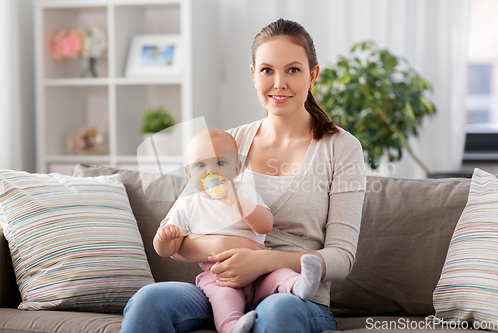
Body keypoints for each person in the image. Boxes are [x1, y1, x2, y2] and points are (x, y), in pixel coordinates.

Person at [121, 18, 366, 333]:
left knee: (278, 311)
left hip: (291, 296)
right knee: (149, 300)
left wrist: (264, 261)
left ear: (312, 75)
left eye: (293, 70)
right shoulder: (227, 143)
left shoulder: (341, 148)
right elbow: (180, 231)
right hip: (222, 289)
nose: (279, 83)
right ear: (253, 75)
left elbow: (342, 258)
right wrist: (226, 247)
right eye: (267, 70)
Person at [155, 128, 323, 333]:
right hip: (219, 274)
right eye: (201, 165)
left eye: (220, 163)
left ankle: (300, 285)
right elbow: (170, 249)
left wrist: (233, 200)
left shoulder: (243, 191)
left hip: (260, 268)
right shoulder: (187, 204)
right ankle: (233, 327)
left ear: (236, 168)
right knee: (223, 299)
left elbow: (265, 225)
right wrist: (164, 238)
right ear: (189, 173)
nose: (211, 172)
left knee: (280, 276)